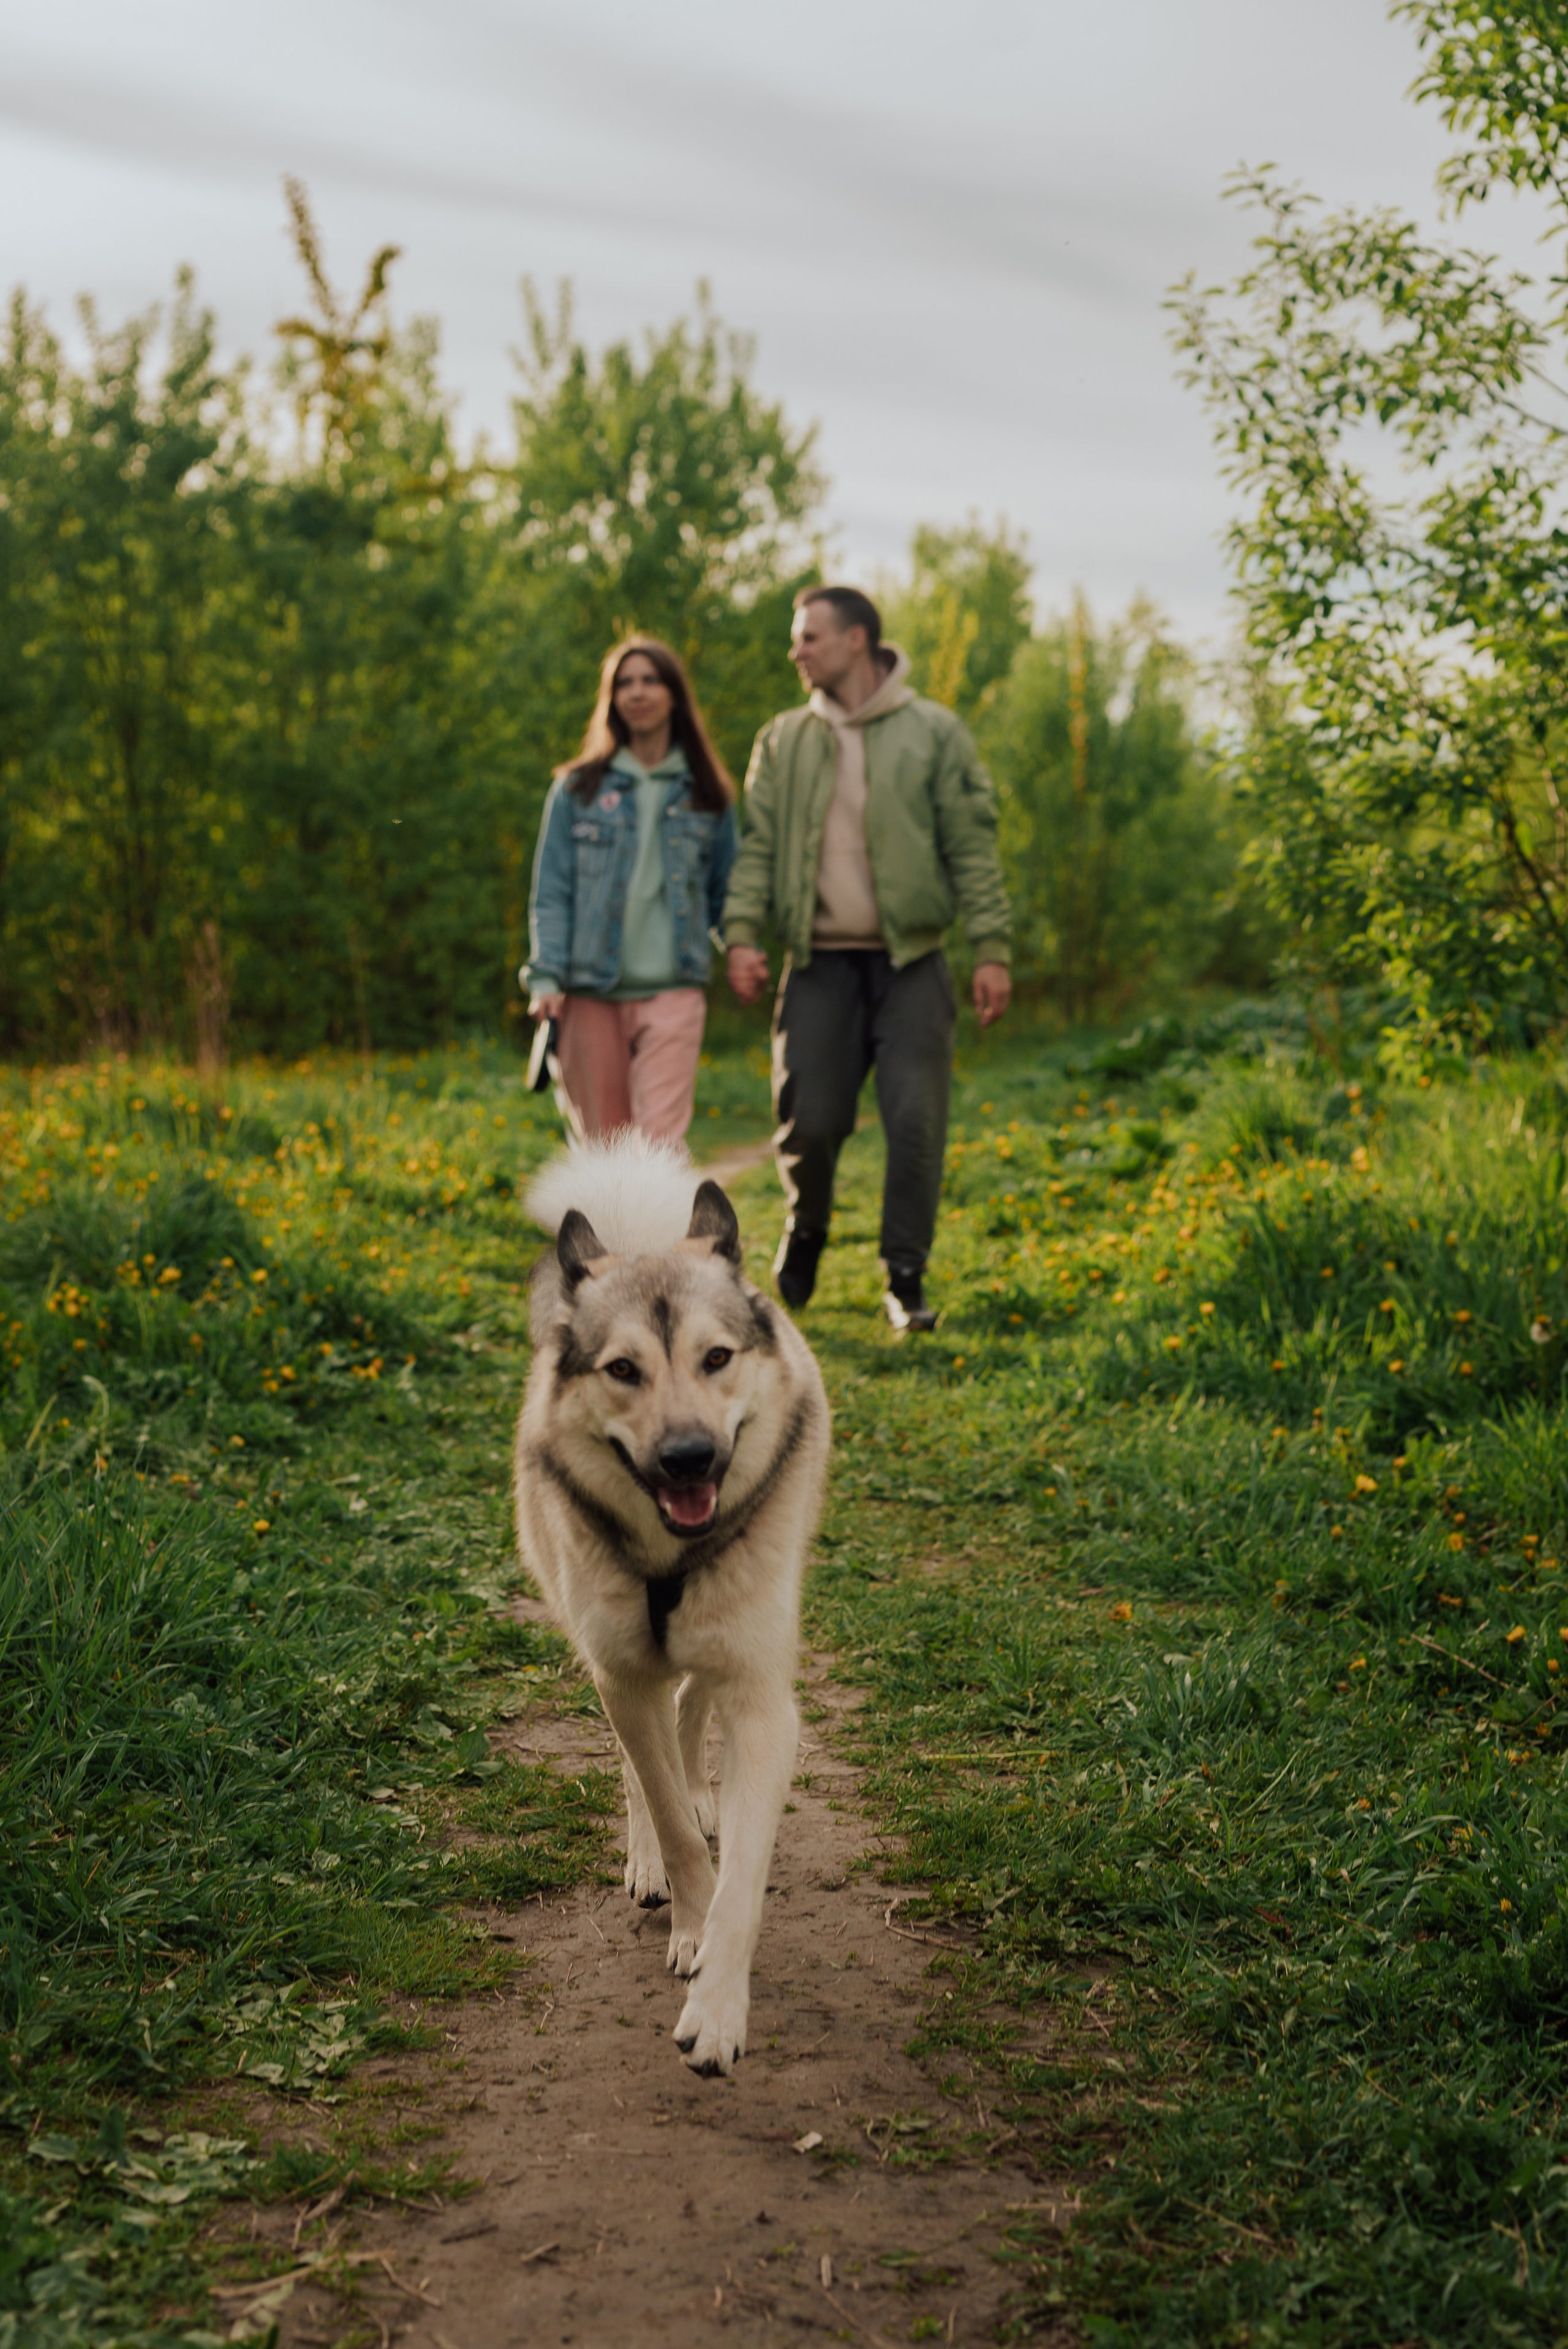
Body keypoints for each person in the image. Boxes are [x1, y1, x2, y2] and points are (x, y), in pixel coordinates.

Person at [723, 585, 1011, 1331]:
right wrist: (745, 936)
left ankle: (905, 1277)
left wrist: (990, 949)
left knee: (915, 1120)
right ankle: (808, 1224)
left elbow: (971, 846)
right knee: (811, 1119)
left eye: (809, 637)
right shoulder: (783, 740)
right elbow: (755, 850)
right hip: (817, 964)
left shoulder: (934, 732)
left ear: (856, 640)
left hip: (912, 964)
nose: (797, 651)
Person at [523, 637, 738, 1143]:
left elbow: (728, 890)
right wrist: (545, 976)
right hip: (587, 992)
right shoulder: (577, 790)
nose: (637, 693)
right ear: (611, 699)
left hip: (674, 990)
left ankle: (662, 1229)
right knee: (604, 1150)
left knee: (660, 1144)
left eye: (650, 680)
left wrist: (742, 951)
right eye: (624, 683)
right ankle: (611, 1229)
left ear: (675, 695)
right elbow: (551, 893)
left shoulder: (707, 793)